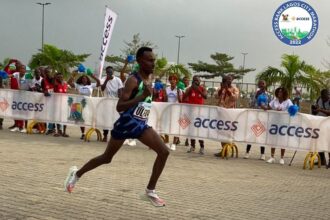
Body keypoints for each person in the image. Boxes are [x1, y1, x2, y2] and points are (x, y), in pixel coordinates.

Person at [64, 47, 169, 207]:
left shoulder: (150, 78)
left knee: (164, 151)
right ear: (140, 61)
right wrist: (142, 96)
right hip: (126, 124)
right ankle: (76, 174)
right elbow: (120, 106)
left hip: (140, 124)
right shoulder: (133, 80)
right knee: (106, 158)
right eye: (150, 60)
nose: (153, 63)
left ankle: (150, 191)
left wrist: (144, 98)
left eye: (154, 60)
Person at [68, 71, 101, 139]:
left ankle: (90, 131)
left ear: (87, 79)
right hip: (80, 104)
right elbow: (69, 82)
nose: (84, 79)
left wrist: (92, 76)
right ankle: (83, 133)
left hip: (89, 103)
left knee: (89, 118)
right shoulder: (78, 85)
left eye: (85, 78)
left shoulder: (91, 85)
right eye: (83, 78)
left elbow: (99, 83)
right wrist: (74, 75)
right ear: (81, 79)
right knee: (82, 119)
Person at [244, 80, 271, 160]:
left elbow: (270, 105)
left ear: (265, 85)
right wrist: (256, 97)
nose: (262, 85)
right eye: (260, 84)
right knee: (251, 133)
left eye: (263, 83)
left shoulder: (268, 95)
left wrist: (265, 107)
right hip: (254, 116)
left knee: (262, 134)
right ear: (258, 85)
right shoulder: (254, 93)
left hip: (264, 117)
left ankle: (262, 154)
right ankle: (247, 152)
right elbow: (250, 104)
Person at [266, 87, 293, 165]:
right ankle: (272, 157)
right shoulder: (275, 100)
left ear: (284, 93)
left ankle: (282, 158)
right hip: (274, 122)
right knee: (273, 139)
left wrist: (284, 111)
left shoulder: (288, 101)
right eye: (278, 92)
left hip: (284, 123)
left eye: (281, 92)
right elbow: (269, 107)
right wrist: (263, 107)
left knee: (283, 140)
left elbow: (292, 110)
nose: (279, 93)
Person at [214, 75, 239, 157]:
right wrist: (222, 89)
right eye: (226, 80)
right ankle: (223, 149)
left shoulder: (235, 89)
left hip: (230, 114)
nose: (227, 81)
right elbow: (216, 97)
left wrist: (228, 90)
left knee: (228, 132)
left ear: (232, 81)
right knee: (221, 131)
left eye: (229, 80)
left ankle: (228, 149)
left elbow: (234, 98)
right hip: (221, 113)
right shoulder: (220, 88)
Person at [183, 75, 207, 155]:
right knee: (192, 131)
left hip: (200, 114)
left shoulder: (202, 88)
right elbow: (184, 97)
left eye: (197, 80)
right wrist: (190, 89)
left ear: (200, 81)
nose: (196, 82)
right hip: (191, 113)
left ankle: (202, 147)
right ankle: (192, 146)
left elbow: (205, 96)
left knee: (199, 131)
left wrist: (198, 90)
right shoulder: (190, 89)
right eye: (195, 80)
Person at [101, 66, 124, 143]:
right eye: (108, 72)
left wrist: (119, 101)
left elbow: (120, 92)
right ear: (106, 72)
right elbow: (102, 89)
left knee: (115, 120)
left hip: (115, 103)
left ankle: (113, 136)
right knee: (106, 120)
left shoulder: (118, 80)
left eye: (110, 72)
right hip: (106, 103)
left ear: (113, 72)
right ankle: (105, 136)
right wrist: (106, 80)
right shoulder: (104, 79)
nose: (109, 74)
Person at [164, 74, 183, 151]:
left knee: (175, 126)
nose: (172, 81)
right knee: (166, 126)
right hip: (168, 110)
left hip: (176, 110)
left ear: (176, 81)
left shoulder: (179, 90)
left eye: (174, 79)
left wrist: (178, 93)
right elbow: (165, 100)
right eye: (171, 79)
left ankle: (174, 143)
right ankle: (167, 142)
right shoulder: (166, 89)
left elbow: (181, 101)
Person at [312, 89, 330, 166]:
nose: (324, 98)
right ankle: (322, 161)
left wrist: (320, 110)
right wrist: (314, 110)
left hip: (328, 123)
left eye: (326, 96)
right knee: (319, 141)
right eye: (323, 96)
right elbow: (315, 112)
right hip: (320, 123)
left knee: (328, 142)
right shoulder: (319, 99)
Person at [53, 72, 69, 137]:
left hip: (65, 104)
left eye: (61, 77)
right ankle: (58, 131)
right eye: (59, 77)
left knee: (65, 118)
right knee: (58, 118)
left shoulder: (65, 84)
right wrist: (55, 76)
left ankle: (64, 132)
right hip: (57, 104)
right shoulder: (56, 84)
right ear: (56, 78)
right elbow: (54, 81)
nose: (60, 78)